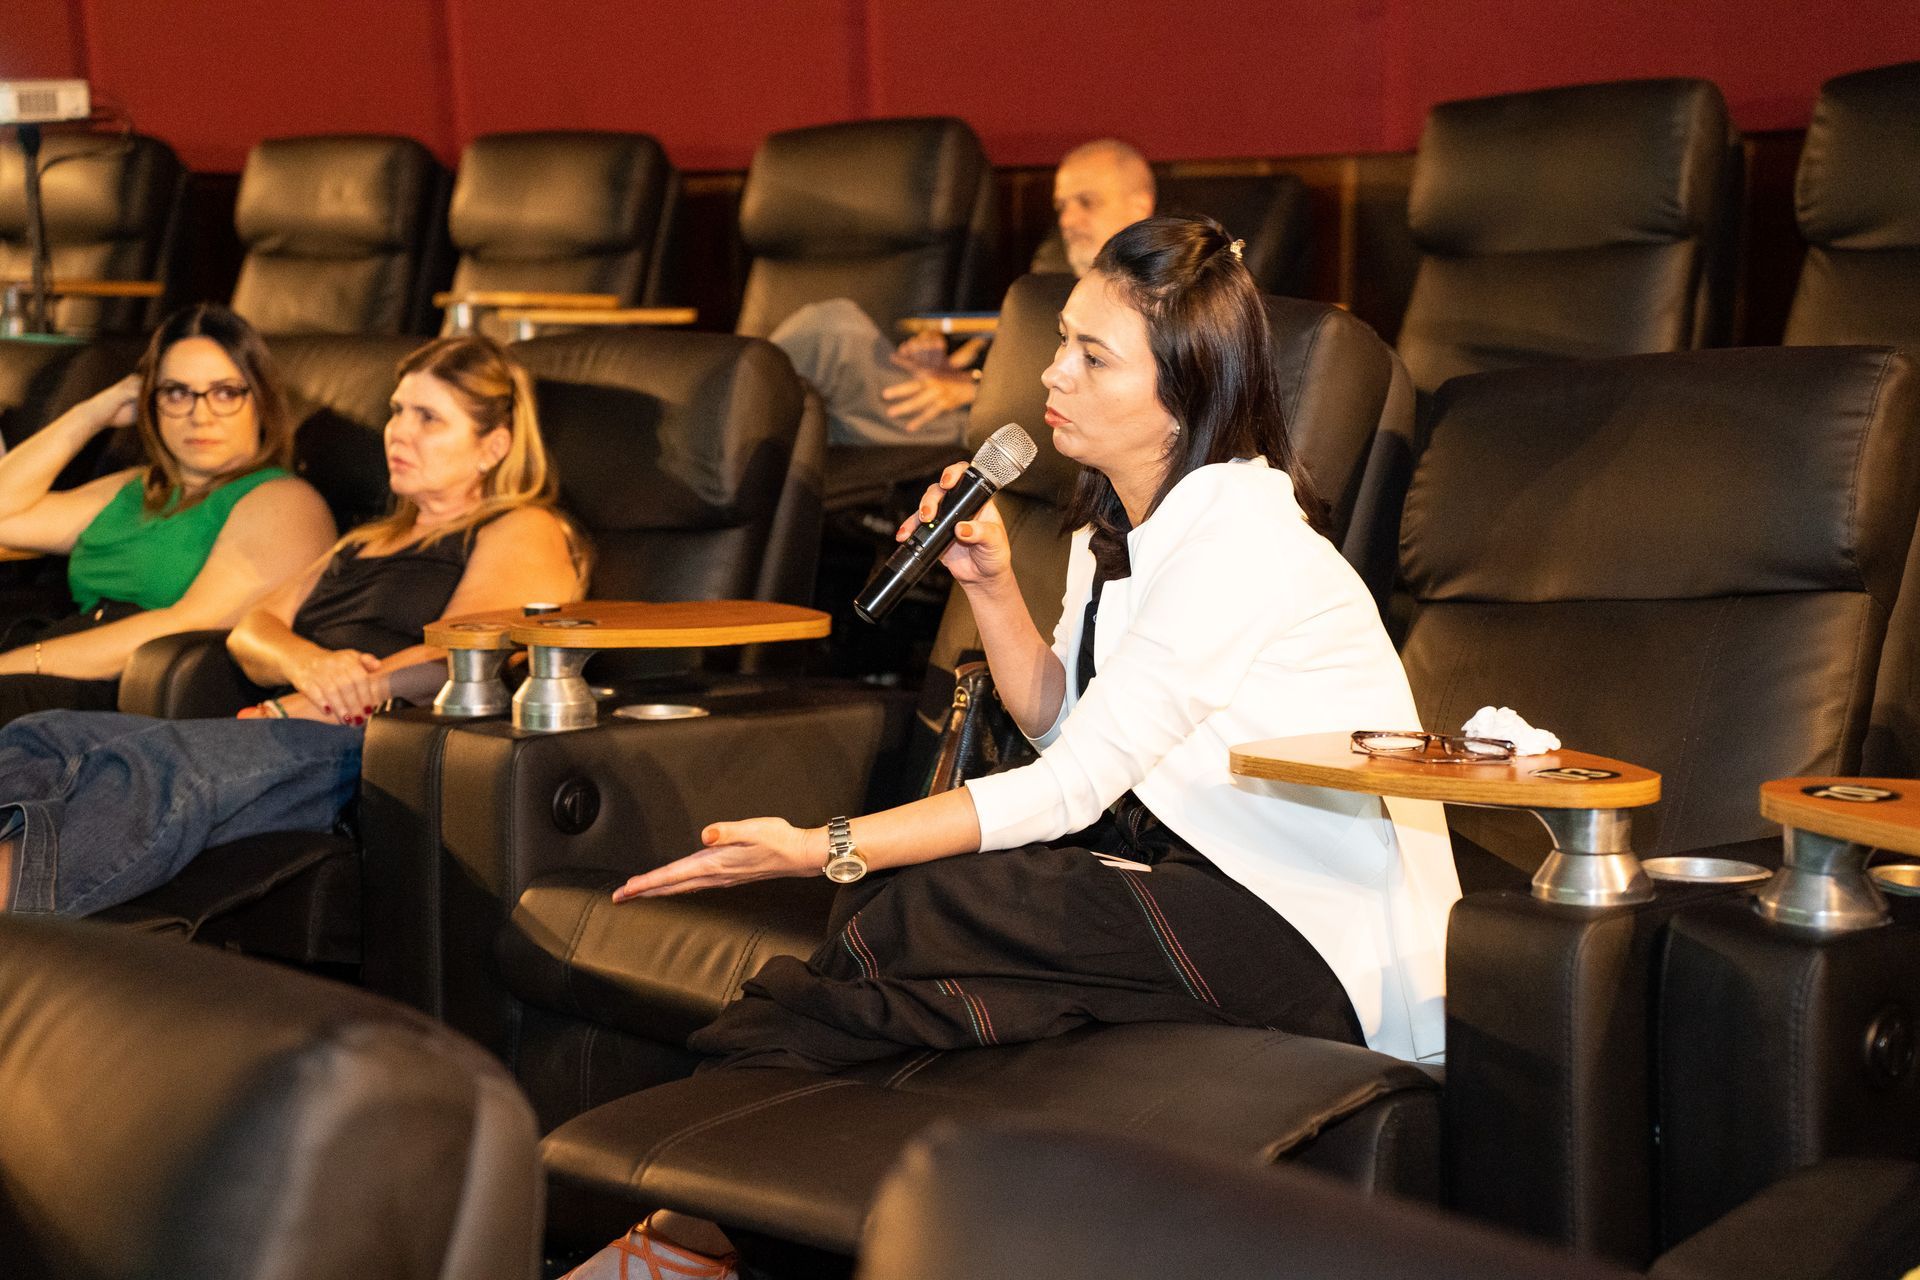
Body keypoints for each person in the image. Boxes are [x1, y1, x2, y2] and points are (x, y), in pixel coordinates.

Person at [579, 215, 1458, 1278]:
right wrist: (994, 587)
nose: (1053, 372)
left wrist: (821, 842)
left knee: (938, 899)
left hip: (1305, 925)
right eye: (1063, 343)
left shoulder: (1242, 541)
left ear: (1186, 388)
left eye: (1094, 356)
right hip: (1185, 880)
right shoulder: (1121, 526)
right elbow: (1067, 724)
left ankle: (697, 1214)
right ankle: (742, 1213)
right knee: (900, 916)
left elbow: (1068, 785)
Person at [0, 334, 586, 917]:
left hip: (381, 744)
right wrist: (305, 664)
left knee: (154, 775)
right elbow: (253, 629)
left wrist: (307, 704)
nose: (398, 432)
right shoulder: (368, 539)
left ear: (493, 447)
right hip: (289, 723)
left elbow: (468, 654)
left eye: (428, 418)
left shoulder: (520, 526)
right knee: (44, 737)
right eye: (397, 410)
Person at [0, 303, 336, 724]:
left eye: (226, 393)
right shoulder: (136, 488)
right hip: (51, 659)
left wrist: (21, 661)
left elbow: (186, 624)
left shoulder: (282, 500)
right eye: (176, 393)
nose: (200, 414)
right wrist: (94, 412)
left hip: (125, 690)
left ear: (261, 401)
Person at [770, 138, 1157, 447]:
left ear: (1139, 205)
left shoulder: (1156, 291)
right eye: (1061, 206)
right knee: (822, 370)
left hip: (1012, 430)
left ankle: (724, 410)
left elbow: (1116, 385)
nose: (1067, 221)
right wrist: (949, 372)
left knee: (833, 331)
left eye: (1086, 203)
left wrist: (974, 388)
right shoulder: (1051, 285)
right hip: (972, 406)